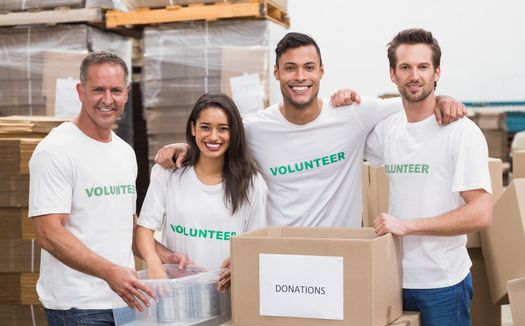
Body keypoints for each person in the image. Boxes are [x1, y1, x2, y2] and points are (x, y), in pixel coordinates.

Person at [156, 32, 467, 228]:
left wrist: (444, 98)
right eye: (290, 68)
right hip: (281, 254)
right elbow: (218, 140)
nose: (299, 77)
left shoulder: (353, 113)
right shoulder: (255, 127)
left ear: (321, 71)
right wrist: (185, 147)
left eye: (308, 68)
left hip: (341, 253)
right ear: (276, 73)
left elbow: (413, 98)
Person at [366, 28, 493, 326]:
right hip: (393, 281)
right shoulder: (387, 131)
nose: (414, 75)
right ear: (393, 74)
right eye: (405, 67)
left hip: (442, 283)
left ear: (437, 72)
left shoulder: (460, 132)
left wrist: (408, 226)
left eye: (423, 67)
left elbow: (481, 213)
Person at [28, 51, 154, 326]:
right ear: (81, 91)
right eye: (98, 89)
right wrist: (110, 272)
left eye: (115, 90)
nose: (107, 99)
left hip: (124, 298)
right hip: (78, 304)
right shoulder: (56, 151)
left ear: (127, 93)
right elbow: (49, 233)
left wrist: (165, 255)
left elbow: (127, 223)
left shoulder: (124, 152)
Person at [134, 93, 267, 326]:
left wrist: (238, 266)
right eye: (205, 127)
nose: (213, 137)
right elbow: (144, 230)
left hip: (223, 316)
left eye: (223, 129)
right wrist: (154, 265)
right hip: (172, 314)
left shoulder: (251, 184)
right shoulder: (168, 173)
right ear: (193, 128)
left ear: (234, 133)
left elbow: (256, 246)